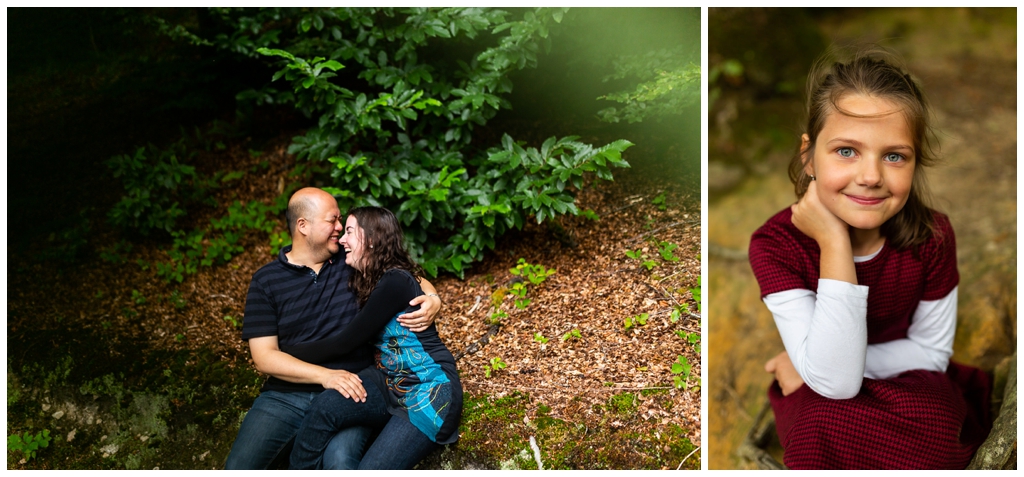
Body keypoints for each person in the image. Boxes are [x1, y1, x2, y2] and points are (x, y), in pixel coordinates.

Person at [748, 50, 992, 469]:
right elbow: (837, 384)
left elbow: (931, 354)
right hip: (825, 391)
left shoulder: (931, 237)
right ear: (808, 156)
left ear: (914, 164)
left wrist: (805, 366)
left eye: (894, 156)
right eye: (846, 151)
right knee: (816, 426)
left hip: (909, 383)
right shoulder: (775, 245)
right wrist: (834, 243)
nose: (871, 176)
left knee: (937, 424)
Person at [224, 188, 444, 469]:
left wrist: (434, 299)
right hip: (285, 396)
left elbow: (407, 278)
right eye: (333, 220)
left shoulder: (351, 259)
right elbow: (264, 356)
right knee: (238, 468)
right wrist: (325, 376)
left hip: (352, 390)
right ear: (303, 225)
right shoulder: (266, 280)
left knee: (340, 462)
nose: (340, 229)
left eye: (342, 221)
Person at [284, 206, 462, 470]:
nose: (342, 239)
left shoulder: (395, 281)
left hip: (429, 390)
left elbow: (345, 342)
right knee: (324, 408)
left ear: (372, 239)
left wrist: (284, 354)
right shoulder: (370, 277)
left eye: (350, 232)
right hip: (387, 383)